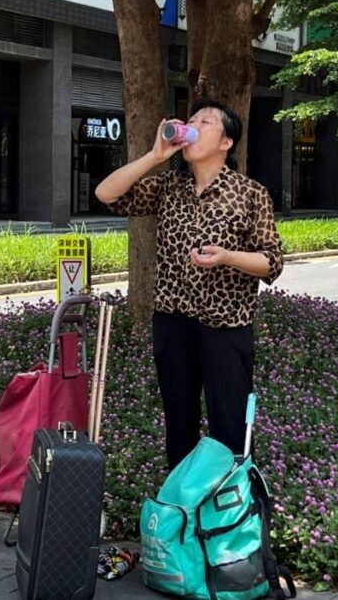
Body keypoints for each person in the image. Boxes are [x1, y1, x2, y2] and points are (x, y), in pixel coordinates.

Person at [95, 98, 284, 470]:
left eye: (206, 122)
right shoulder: (169, 186)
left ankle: (230, 509)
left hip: (225, 325)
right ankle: (182, 507)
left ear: (226, 142)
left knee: (229, 424)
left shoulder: (250, 194)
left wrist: (228, 256)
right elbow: (107, 194)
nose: (194, 125)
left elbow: (271, 262)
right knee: (178, 420)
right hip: (172, 321)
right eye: (192, 119)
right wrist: (154, 156)